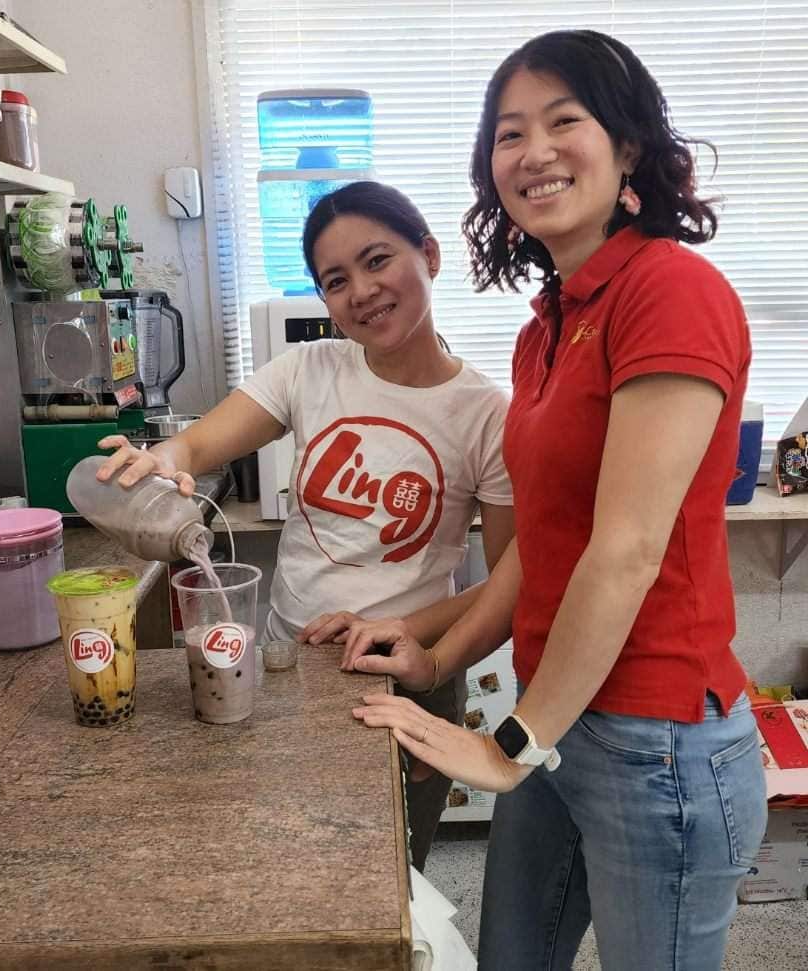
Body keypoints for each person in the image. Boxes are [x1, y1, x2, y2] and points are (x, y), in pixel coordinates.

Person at [334, 30, 767, 970]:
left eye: (563, 121)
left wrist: (507, 749)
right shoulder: (550, 324)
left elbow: (626, 551)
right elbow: (546, 544)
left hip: (661, 742)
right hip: (561, 715)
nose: (533, 151)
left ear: (629, 148)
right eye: (508, 133)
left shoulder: (671, 292)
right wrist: (437, 653)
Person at [95, 180, 515, 869]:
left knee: (389, 876)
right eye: (336, 280)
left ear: (430, 256)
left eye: (378, 260)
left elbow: (508, 581)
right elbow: (197, 446)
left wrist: (408, 632)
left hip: (406, 677)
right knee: (289, 858)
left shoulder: (485, 414)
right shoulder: (309, 368)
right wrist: (162, 458)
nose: (362, 291)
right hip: (288, 663)